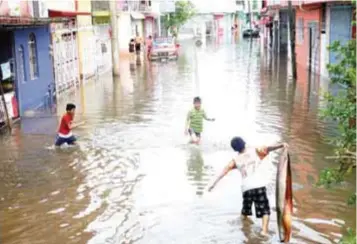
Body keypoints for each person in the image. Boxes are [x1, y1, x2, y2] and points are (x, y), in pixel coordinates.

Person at [208, 137, 288, 236]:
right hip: (258, 186)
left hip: (246, 189)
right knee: (265, 211)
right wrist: (281, 145)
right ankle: (264, 231)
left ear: (235, 149)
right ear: (244, 143)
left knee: (245, 211)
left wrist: (213, 184)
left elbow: (224, 171)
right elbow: (268, 148)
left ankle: (243, 225)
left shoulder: (236, 160)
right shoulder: (255, 151)